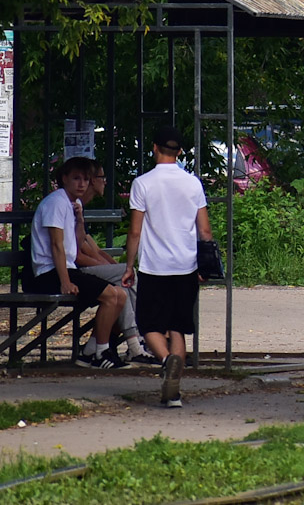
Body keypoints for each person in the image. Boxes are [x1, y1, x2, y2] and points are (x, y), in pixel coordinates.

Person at [122, 126, 214, 408]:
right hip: (186, 267)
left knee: (148, 324)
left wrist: (129, 266)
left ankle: (166, 361)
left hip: (154, 267)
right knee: (177, 328)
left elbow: (135, 232)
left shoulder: (143, 183)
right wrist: (205, 265)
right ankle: (173, 394)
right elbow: (205, 231)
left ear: (154, 148)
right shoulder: (193, 183)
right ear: (180, 152)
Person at [27, 157, 128, 368]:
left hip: (69, 269)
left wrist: (80, 219)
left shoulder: (73, 203)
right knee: (111, 296)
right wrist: (65, 281)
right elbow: (57, 245)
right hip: (49, 273)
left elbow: (78, 239)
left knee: (120, 294)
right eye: (76, 178)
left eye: (85, 179)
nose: (81, 184)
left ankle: (91, 350)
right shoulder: (56, 202)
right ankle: (100, 353)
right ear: (64, 179)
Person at [73, 163, 154, 363]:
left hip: (88, 269)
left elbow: (94, 249)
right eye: (101, 177)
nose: (105, 182)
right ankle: (137, 342)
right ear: (92, 181)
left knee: (123, 285)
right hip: (72, 273)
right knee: (125, 280)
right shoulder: (72, 207)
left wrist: (112, 267)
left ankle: (95, 347)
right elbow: (77, 255)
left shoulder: (79, 208)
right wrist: (116, 269)